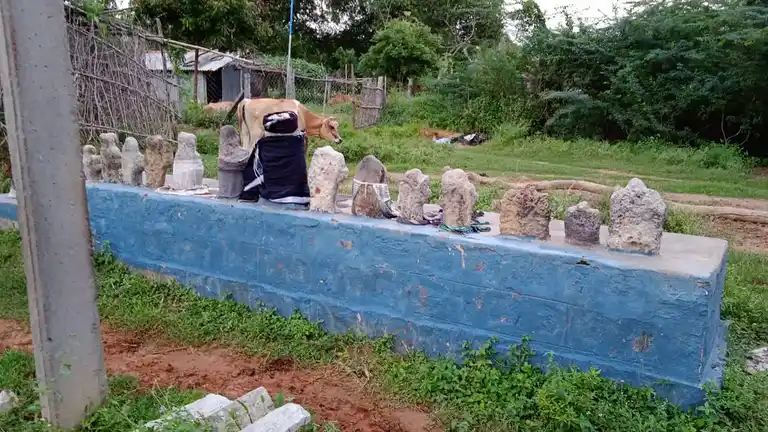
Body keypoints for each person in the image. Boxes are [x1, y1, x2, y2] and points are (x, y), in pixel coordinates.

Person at [240, 111, 310, 207]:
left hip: (273, 198)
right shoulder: (299, 142)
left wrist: (247, 194)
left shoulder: (263, 145)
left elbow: (253, 174)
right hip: (301, 198)